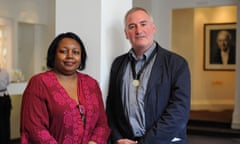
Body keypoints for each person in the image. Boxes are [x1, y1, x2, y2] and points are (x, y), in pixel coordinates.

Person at [106, 7, 191, 144]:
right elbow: (111, 108)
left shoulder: (177, 64)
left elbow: (179, 112)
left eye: (143, 24)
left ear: (153, 28)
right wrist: (118, 139)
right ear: (126, 34)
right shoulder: (118, 64)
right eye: (132, 26)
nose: (139, 31)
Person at [20, 32, 110, 144]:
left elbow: (102, 123)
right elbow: (35, 129)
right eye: (63, 51)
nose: (70, 56)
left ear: (81, 57)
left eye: (76, 52)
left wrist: (93, 142)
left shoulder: (92, 84)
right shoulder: (39, 83)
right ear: (53, 54)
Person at [0, 67, 11, 144]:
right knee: (5, 122)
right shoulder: (4, 71)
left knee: (4, 122)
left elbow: (8, 82)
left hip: (4, 98)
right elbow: (8, 82)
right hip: (6, 97)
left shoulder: (5, 71)